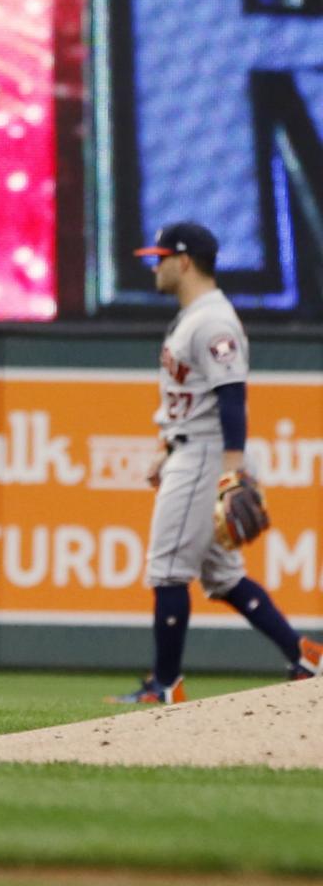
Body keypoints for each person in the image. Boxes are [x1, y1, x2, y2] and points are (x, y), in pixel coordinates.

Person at [109, 221, 323, 704]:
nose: (154, 265)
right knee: (223, 575)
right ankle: (305, 654)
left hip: (206, 455)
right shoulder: (195, 315)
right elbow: (198, 395)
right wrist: (166, 450)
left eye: (160, 257)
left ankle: (165, 685)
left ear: (184, 261)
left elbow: (231, 397)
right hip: (190, 447)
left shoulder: (212, 321)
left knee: (166, 570)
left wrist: (232, 469)